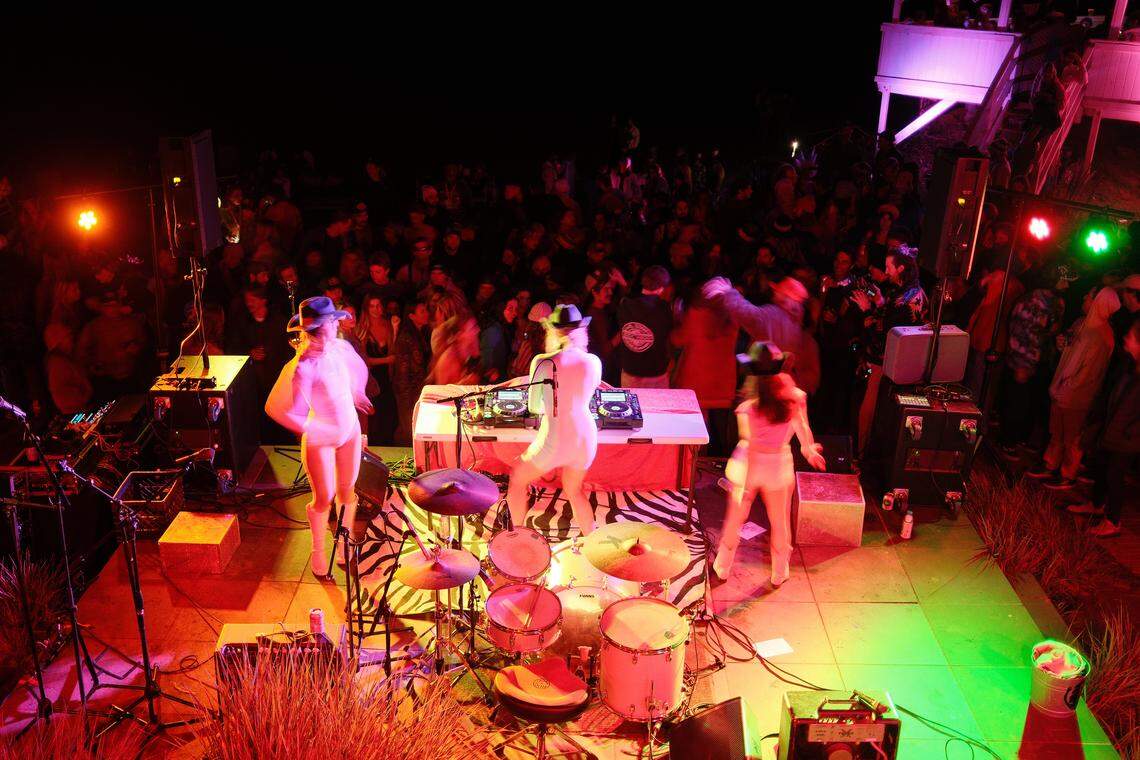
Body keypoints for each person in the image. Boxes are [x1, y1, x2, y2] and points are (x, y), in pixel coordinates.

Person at [265, 297, 372, 577]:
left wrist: (357, 393)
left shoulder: (340, 348)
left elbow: (355, 372)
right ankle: (318, 551)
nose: (337, 324)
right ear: (320, 327)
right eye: (332, 321)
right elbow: (277, 408)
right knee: (324, 497)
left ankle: (344, 541)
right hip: (321, 439)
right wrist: (314, 429)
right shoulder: (303, 366)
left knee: (348, 491)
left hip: (349, 429)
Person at [714, 342, 826, 586]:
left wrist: (743, 485)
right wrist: (808, 450)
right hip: (777, 466)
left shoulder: (748, 408)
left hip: (750, 466)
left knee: (736, 518)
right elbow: (802, 427)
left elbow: (749, 444)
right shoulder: (795, 398)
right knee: (779, 520)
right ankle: (779, 572)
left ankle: (722, 566)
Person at [506, 304, 602, 536]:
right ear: (581, 331)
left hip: (556, 438)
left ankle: (513, 538)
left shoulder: (542, 361)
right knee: (574, 490)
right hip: (585, 440)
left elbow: (533, 406)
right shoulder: (594, 362)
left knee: (518, 478)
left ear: (552, 330)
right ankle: (594, 544)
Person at [1027, 287, 1120, 490]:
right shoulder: (1082, 324)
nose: (1085, 296)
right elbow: (1069, 347)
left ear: (1099, 303)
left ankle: (1067, 474)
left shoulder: (1103, 335)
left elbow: (1089, 373)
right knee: (1057, 432)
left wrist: (1068, 387)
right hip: (1062, 390)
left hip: (1076, 396)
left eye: (1090, 295)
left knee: (1072, 438)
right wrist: (1062, 344)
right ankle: (1050, 465)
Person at [1067, 316, 1140, 537]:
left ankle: (1112, 520)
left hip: (1127, 437)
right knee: (1102, 467)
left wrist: (1127, 432)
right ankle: (1096, 504)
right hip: (1113, 430)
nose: (1126, 337)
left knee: (1115, 475)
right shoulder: (1129, 366)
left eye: (1131, 335)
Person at [616, 265, 673, 388]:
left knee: (633, 407)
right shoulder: (664, 309)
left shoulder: (624, 305)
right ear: (662, 288)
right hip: (655, 374)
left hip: (629, 371)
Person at [392, 299, 432, 444]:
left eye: (426, 310)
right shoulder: (406, 338)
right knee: (409, 427)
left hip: (418, 388)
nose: (427, 313)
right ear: (411, 316)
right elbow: (402, 371)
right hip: (408, 391)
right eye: (422, 311)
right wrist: (407, 396)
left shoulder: (422, 333)